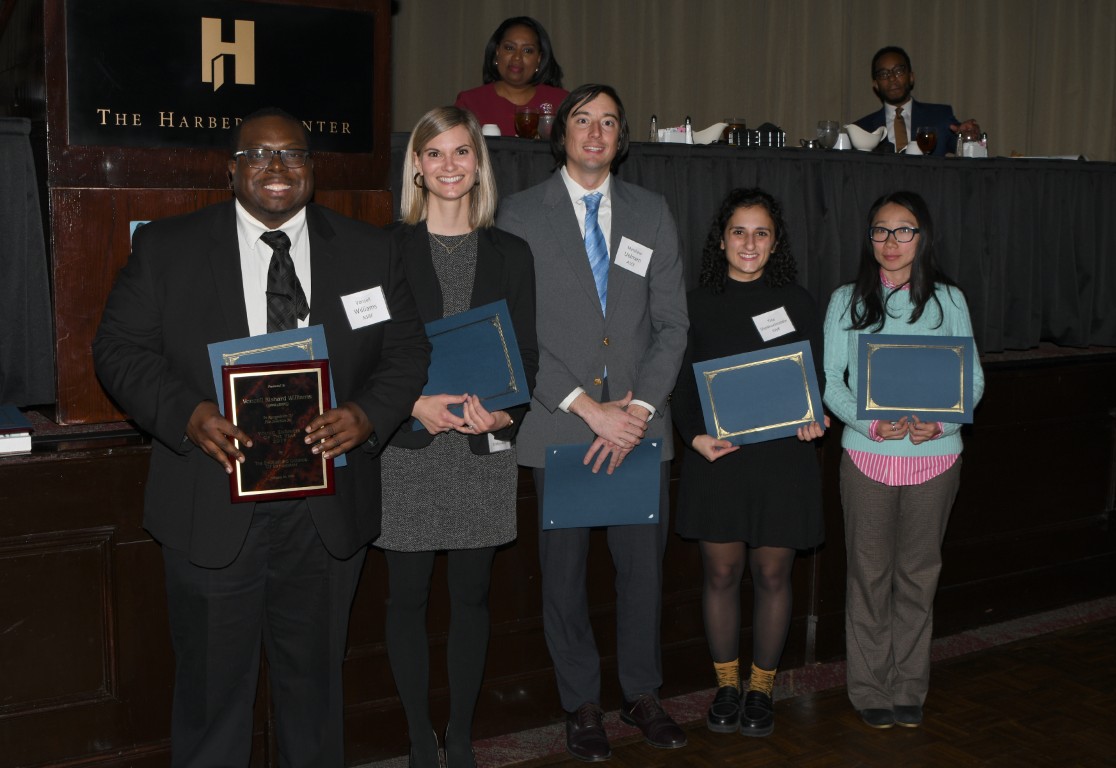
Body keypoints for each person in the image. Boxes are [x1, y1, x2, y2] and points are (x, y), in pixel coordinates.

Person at [92, 107, 430, 768]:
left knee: (315, 696)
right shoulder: (167, 247)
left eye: (293, 154)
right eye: (258, 155)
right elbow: (118, 350)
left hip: (325, 510)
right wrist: (186, 414)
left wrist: (367, 415)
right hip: (212, 503)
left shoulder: (370, 250)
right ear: (232, 170)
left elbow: (406, 353)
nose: (277, 167)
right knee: (212, 698)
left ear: (312, 168)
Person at [496, 83, 689, 762]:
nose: (596, 132)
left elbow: (672, 325)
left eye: (609, 121)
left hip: (638, 427)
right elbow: (514, 330)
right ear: (562, 133)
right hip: (562, 424)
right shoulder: (520, 214)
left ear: (621, 137)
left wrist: (637, 411)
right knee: (564, 579)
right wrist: (585, 407)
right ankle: (581, 703)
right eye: (583, 119)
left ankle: (642, 694)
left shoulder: (651, 212)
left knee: (643, 576)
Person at [374, 106, 538, 768]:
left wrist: (504, 416)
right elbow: (366, 354)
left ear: (479, 163)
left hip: (480, 452)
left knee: (471, 598)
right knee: (406, 599)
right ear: (416, 165)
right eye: (435, 152)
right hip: (406, 450)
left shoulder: (511, 253)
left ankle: (461, 736)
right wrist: (412, 405)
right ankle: (420, 738)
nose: (449, 165)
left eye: (461, 152)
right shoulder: (385, 250)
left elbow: (527, 357)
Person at [822, 190, 984, 729]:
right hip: (867, 458)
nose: (891, 242)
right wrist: (868, 424)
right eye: (881, 230)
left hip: (934, 460)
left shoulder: (949, 301)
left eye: (904, 230)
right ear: (869, 238)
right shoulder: (846, 300)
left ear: (923, 236)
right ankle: (869, 687)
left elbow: (972, 380)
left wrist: (942, 423)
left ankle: (909, 685)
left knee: (918, 577)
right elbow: (832, 382)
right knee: (868, 578)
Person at [672, 188, 826, 739]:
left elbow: (814, 379)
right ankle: (727, 686)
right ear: (721, 239)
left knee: (772, 573)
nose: (749, 243)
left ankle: (761, 688)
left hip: (783, 460)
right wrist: (693, 437)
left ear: (776, 242)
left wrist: (813, 418)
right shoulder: (694, 304)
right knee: (720, 573)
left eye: (762, 233)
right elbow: (679, 384)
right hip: (718, 458)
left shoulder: (797, 302)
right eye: (739, 231)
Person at [852, 46, 980, 156]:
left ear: (911, 77)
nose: (892, 78)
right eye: (884, 74)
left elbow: (966, 152)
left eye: (898, 71)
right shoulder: (861, 129)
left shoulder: (940, 117)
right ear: (876, 85)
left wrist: (969, 138)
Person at [454, 16, 568, 137]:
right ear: (497, 52)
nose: (517, 57)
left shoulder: (562, 102)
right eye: (509, 48)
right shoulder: (470, 102)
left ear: (539, 59)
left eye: (527, 51)